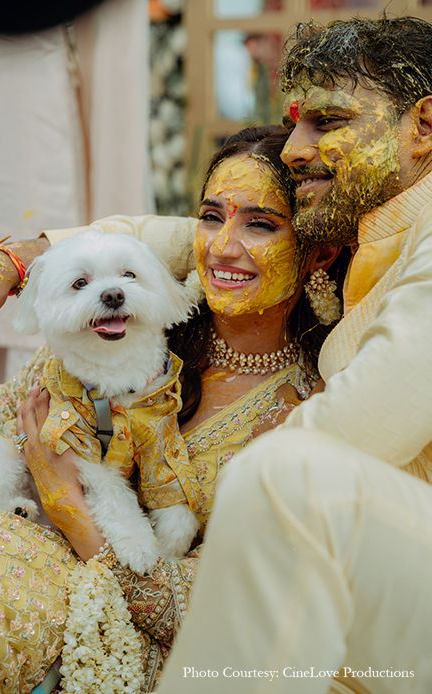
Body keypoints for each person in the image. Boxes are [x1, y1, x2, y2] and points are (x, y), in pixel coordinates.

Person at [0, 126, 342, 693]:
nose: (221, 246)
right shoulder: (124, 328)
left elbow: (214, 612)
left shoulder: (313, 410)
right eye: (211, 218)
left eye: (260, 224)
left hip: (121, 645)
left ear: (319, 251)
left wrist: (64, 501)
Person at [152, 15, 432, 694]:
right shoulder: (375, 232)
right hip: (389, 582)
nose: (295, 151)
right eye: (295, 124)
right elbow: (186, 235)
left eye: (327, 122)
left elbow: (365, 427)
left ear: (423, 126)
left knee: (291, 475)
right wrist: (25, 254)